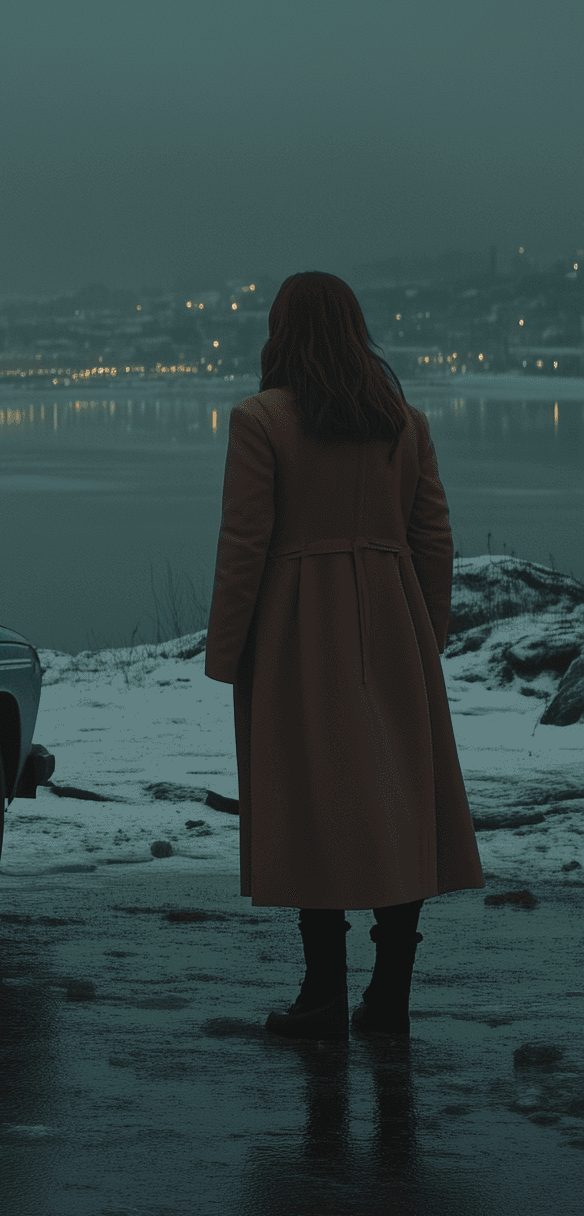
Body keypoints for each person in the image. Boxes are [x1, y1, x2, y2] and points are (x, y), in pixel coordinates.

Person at [205, 271, 482, 1038]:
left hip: (298, 630)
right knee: (399, 802)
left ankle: (322, 992)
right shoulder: (403, 422)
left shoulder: (259, 420)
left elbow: (244, 544)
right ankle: (389, 993)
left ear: (280, 332)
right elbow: (434, 540)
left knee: (309, 797)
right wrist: (425, 637)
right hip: (393, 624)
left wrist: (227, 650)